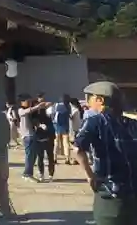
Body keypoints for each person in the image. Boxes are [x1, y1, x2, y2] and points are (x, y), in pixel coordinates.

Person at [74, 81, 137, 225]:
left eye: (89, 98)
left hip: (110, 194)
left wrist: (90, 176)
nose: (88, 103)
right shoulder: (133, 124)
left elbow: (78, 149)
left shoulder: (95, 121)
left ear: (100, 100)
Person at [18, 94, 47, 181]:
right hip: (27, 136)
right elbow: (28, 111)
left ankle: (28, 173)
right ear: (22, 102)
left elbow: (34, 120)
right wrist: (38, 106)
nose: (30, 103)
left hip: (32, 135)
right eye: (28, 101)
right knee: (29, 156)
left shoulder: (30, 112)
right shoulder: (21, 110)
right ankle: (27, 174)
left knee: (33, 156)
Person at [32, 100, 55, 182]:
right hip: (47, 139)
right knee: (49, 158)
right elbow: (52, 130)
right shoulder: (47, 118)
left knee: (41, 158)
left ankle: (42, 174)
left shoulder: (35, 118)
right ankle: (50, 175)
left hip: (40, 139)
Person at [51, 94, 72, 164]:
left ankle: (54, 158)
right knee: (66, 143)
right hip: (65, 127)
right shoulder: (68, 106)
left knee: (56, 143)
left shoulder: (55, 105)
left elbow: (52, 115)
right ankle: (67, 158)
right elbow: (70, 115)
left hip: (56, 126)